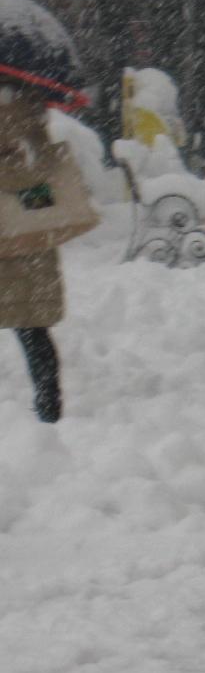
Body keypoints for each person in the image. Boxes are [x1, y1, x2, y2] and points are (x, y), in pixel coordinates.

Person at [0, 83, 75, 422]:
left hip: (18, 232)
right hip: (25, 230)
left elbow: (28, 167)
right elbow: (39, 176)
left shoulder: (15, 105)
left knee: (30, 325)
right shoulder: (28, 99)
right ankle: (49, 405)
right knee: (31, 325)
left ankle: (48, 407)